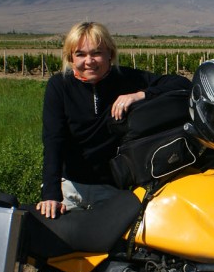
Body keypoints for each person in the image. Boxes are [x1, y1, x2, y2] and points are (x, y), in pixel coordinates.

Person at [36, 21, 190, 219]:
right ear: (70, 58)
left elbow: (181, 83)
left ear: (110, 54)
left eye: (96, 53)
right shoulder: (59, 86)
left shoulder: (126, 79)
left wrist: (140, 94)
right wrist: (51, 195)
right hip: (69, 187)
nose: (89, 61)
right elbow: (52, 140)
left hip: (112, 189)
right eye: (80, 54)